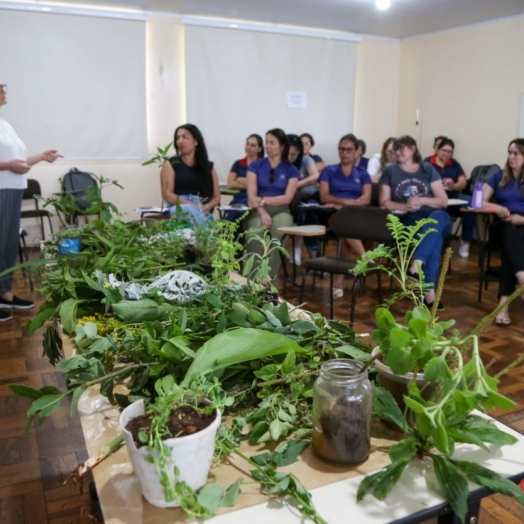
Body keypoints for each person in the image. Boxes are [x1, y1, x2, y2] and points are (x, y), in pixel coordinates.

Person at [0, 82, 62, 322]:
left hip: (13, 187)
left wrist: (41, 157)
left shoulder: (5, 124)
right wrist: (8, 166)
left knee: (7, 244)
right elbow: (9, 164)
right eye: (0, 86)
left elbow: (18, 162)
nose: (4, 89)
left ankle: (5, 293)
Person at [380, 135, 451, 310]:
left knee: (439, 217)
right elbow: (384, 201)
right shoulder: (391, 170)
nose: (397, 152)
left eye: (401, 148)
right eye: (395, 149)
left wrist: (422, 201)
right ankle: (429, 296)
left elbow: (443, 200)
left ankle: (415, 266)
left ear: (413, 149)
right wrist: (405, 205)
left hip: (430, 216)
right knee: (434, 239)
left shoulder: (427, 168)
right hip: (407, 219)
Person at [319, 133, 372, 297]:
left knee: (346, 232)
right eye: (342, 149)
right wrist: (346, 202)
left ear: (357, 152)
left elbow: (367, 198)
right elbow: (324, 196)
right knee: (343, 223)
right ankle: (366, 257)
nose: (345, 153)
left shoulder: (363, 173)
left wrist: (348, 204)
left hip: (356, 215)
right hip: (333, 216)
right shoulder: (329, 170)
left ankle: (339, 284)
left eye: (349, 150)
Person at [245, 129, 299, 280]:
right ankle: (252, 280)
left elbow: (287, 198)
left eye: (272, 143)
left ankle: (267, 280)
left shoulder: (291, 169)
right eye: (266, 142)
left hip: (282, 210)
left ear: (282, 146)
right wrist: (262, 211)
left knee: (279, 234)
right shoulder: (255, 166)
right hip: (258, 210)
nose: (268, 146)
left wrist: (263, 200)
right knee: (253, 234)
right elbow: (252, 196)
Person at [482, 138, 524, 327]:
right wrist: (497, 207)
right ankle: (522, 278)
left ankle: (503, 306)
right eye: (509, 152)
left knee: (511, 248)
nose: (511, 157)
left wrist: (521, 219)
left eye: (516, 153)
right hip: (501, 227)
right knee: (509, 232)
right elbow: (479, 201)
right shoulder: (499, 175)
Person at [160, 124, 220, 226]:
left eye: (185, 137)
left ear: (196, 141)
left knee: (203, 216)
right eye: (177, 138)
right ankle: (210, 240)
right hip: (178, 206)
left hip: (202, 209)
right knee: (189, 210)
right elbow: (167, 194)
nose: (180, 141)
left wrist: (207, 206)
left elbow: (216, 196)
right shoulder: (171, 164)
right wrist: (191, 204)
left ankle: (206, 239)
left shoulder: (208, 167)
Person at [426, 137, 475, 258]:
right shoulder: (427, 163)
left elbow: (463, 182)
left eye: (450, 151)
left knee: (471, 206)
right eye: (444, 150)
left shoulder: (455, 164)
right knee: (440, 213)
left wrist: (454, 185)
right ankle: (439, 243)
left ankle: (466, 241)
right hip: (434, 198)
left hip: (453, 196)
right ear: (437, 149)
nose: (447, 154)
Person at [287, 134, 321, 264]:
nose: (290, 158)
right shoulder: (282, 163)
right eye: (288, 154)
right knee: (303, 212)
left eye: (293, 154)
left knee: (309, 211)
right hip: (290, 200)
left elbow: (315, 176)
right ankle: (297, 249)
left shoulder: (306, 160)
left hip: (307, 197)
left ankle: (312, 257)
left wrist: (296, 184)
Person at [225, 134, 264, 222]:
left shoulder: (263, 164)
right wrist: (251, 184)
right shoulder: (238, 163)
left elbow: (261, 184)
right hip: (238, 199)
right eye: (247, 144)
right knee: (234, 210)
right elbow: (230, 184)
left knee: (234, 214)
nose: (249, 147)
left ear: (260, 149)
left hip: (253, 199)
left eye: (253, 145)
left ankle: (221, 233)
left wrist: (239, 179)